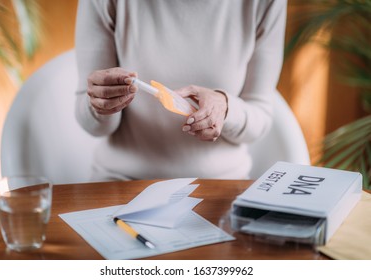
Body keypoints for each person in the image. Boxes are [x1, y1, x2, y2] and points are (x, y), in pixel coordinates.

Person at [75, 0, 287, 181]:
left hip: (221, 186)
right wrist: (100, 105)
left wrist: (225, 108)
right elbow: (92, 125)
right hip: (121, 182)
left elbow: (260, 114)